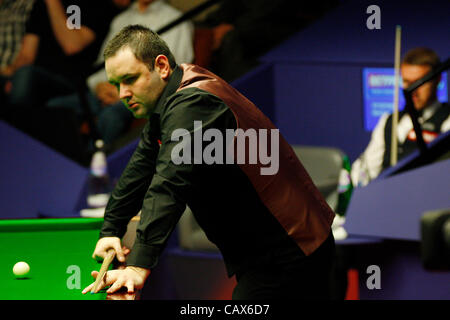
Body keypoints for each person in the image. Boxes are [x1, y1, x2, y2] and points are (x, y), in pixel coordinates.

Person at [82, 25, 335, 299]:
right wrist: (111, 229)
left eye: (130, 79)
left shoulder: (194, 103)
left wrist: (139, 265)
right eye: (117, 83)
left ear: (162, 66)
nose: (122, 93)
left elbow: (169, 183)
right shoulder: (171, 99)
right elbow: (141, 168)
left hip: (291, 250)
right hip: (264, 253)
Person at [51, 0, 195, 146]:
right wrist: (98, 86)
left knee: (110, 117)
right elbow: (102, 64)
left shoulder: (176, 20)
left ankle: (93, 166)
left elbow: (171, 76)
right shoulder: (121, 20)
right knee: (56, 107)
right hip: (105, 91)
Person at [351, 47, 450, 186]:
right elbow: (366, 169)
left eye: (420, 82)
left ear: (437, 79)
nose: (413, 90)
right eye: (407, 82)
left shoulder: (447, 121)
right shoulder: (389, 120)